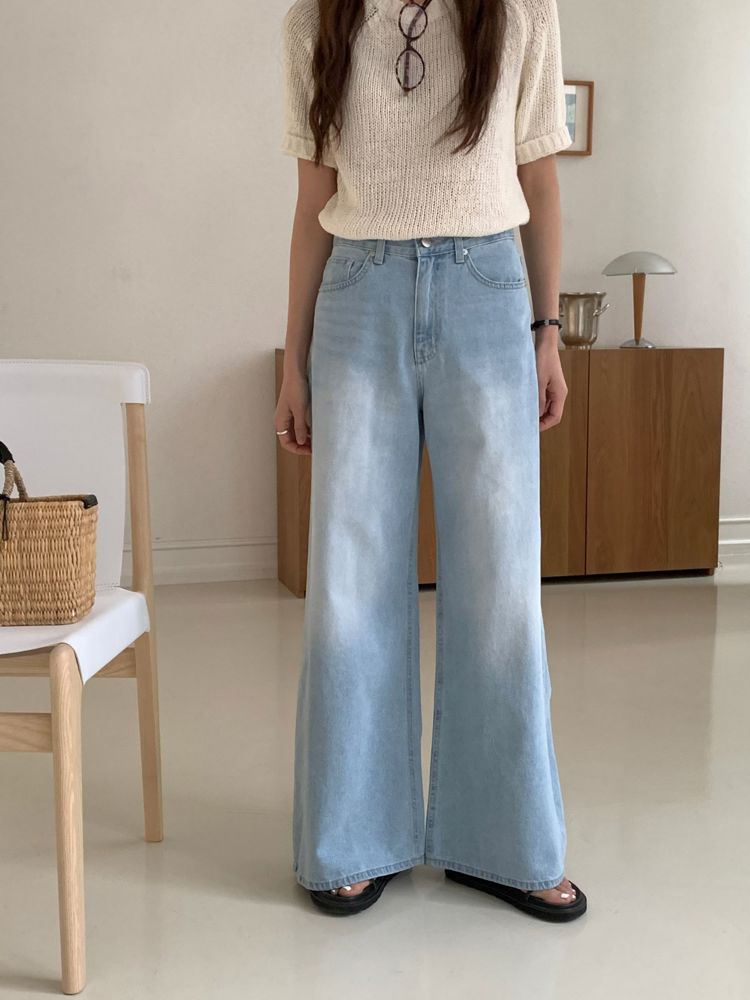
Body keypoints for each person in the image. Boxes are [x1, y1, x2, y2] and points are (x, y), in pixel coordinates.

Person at [274, 0, 587, 922]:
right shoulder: (316, 20)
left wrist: (548, 331)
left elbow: (540, 177)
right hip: (357, 292)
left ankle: (507, 843)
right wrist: (292, 362)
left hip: (489, 292)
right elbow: (311, 205)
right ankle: (349, 835)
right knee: (349, 580)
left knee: (501, 580)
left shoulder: (523, 9)